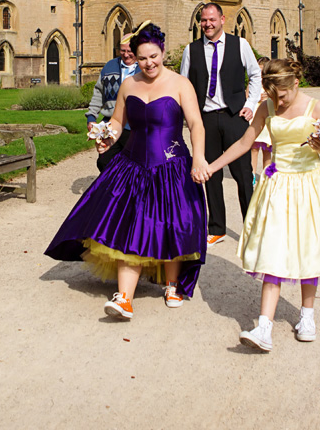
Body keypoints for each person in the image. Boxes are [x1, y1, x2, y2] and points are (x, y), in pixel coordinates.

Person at [45, 23, 209, 320]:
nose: (149, 63)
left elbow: (196, 124)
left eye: (154, 56)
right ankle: (124, 298)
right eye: (143, 57)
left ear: (162, 53)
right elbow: (118, 122)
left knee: (172, 224)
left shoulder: (180, 84)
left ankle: (172, 285)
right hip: (133, 163)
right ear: (135, 57)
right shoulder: (128, 84)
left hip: (171, 165)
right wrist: (107, 138)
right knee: (129, 225)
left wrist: (198, 158)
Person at [199, 58, 320, 349]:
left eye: (282, 95)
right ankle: (263, 327)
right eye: (273, 95)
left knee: (309, 251)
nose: (279, 101)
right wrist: (213, 165)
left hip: (309, 184)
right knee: (273, 250)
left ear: (296, 83)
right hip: (278, 185)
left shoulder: (316, 107)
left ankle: (307, 316)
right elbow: (245, 142)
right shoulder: (267, 107)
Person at [178, 3, 262, 245]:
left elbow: (255, 74)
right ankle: (217, 228)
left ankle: (252, 227)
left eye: (212, 19)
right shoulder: (191, 50)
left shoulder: (240, 45)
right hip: (205, 120)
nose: (208, 24)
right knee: (209, 173)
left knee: (243, 174)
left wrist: (252, 104)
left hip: (235, 115)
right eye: (203, 20)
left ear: (222, 19)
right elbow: (184, 85)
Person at [85, 33, 140, 172]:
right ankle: (114, 191)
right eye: (123, 50)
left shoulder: (145, 69)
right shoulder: (110, 66)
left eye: (130, 51)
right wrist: (91, 117)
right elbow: (98, 93)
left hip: (135, 127)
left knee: (135, 165)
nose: (126, 55)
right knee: (104, 162)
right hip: (110, 124)